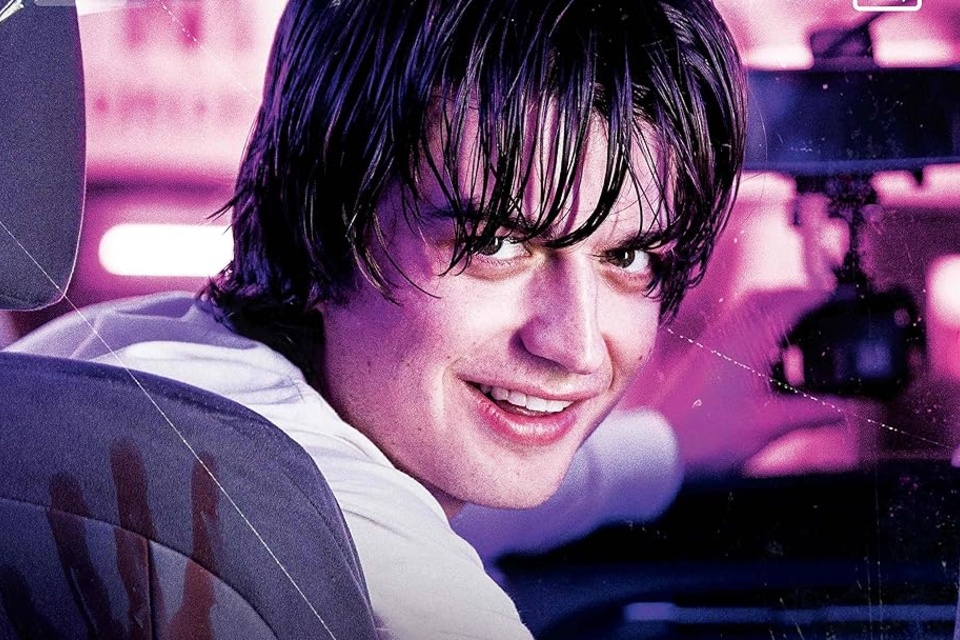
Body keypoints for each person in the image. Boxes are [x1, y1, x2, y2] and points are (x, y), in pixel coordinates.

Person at [9, 0, 747, 636]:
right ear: (323, 225)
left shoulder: (132, 357)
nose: (577, 346)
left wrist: (668, 445)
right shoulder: (355, 549)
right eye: (494, 244)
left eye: (630, 257)